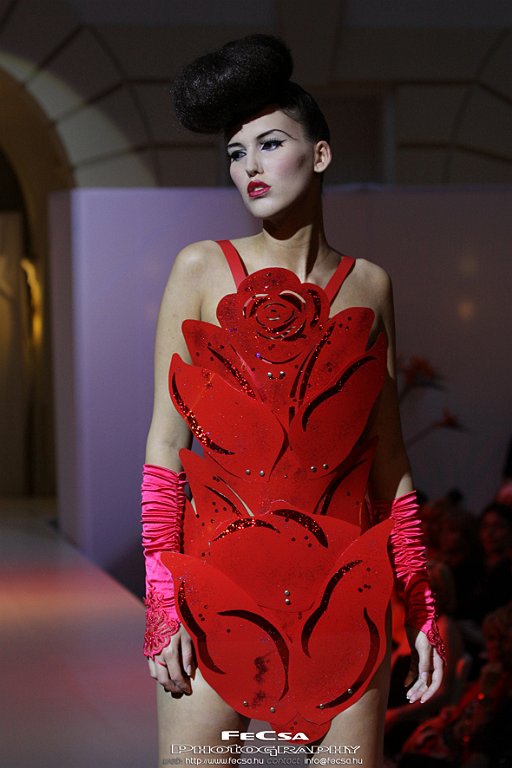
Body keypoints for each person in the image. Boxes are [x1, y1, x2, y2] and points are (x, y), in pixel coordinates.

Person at [141, 34, 444, 767]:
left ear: (321, 154)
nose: (249, 167)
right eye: (235, 153)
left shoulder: (369, 285)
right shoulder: (201, 269)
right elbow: (165, 445)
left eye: (270, 144)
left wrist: (421, 599)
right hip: (215, 591)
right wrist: (162, 596)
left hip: (346, 593)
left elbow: (389, 459)